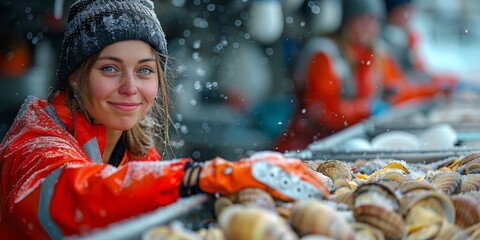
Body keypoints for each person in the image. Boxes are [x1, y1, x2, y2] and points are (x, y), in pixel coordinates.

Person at [0, 0, 330, 239]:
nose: (130, 88)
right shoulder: (34, 144)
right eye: (110, 68)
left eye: (144, 70)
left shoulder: (134, 151)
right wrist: (203, 176)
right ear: (75, 77)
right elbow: (80, 198)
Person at [274, 0, 443, 153]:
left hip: (345, 144)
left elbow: (402, 92)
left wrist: (438, 90)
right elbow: (324, 113)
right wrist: (367, 109)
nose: (367, 26)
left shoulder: (377, 55)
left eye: (373, 20)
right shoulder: (325, 55)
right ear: (346, 22)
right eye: (361, 19)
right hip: (305, 147)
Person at [381, 0, 458, 91]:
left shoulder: (406, 37)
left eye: (410, 10)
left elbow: (422, 72)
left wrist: (450, 81)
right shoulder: (386, 44)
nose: (409, 15)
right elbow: (402, 85)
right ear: (392, 13)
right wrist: (435, 88)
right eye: (404, 10)